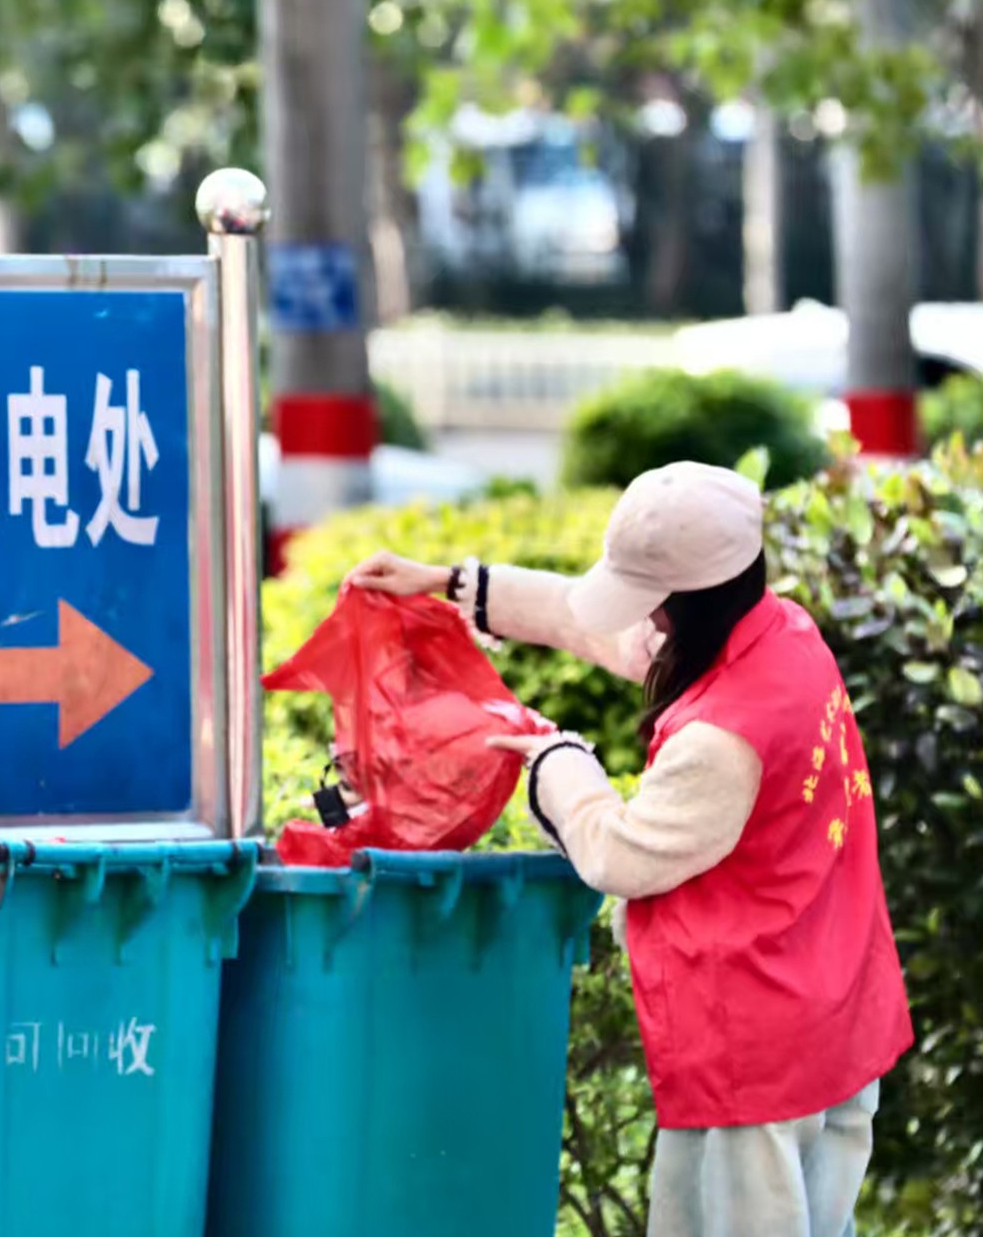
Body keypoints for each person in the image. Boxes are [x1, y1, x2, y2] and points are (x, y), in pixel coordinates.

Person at [347, 461, 912, 1237]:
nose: (644, 619)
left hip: (752, 1065)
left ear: (687, 605)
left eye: (651, 601)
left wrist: (556, 761)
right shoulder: (784, 637)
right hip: (832, 1016)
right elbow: (605, 628)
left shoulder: (720, 739)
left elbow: (619, 855)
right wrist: (452, 584)